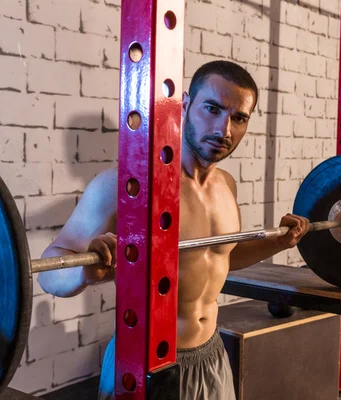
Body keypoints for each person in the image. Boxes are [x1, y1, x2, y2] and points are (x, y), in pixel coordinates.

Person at [37, 60, 311, 400]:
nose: (224, 130)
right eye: (212, 108)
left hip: (212, 356)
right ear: (184, 104)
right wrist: (87, 273)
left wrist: (280, 243)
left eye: (238, 118)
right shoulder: (124, 186)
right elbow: (48, 272)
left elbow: (221, 256)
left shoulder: (226, 185)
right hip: (145, 365)